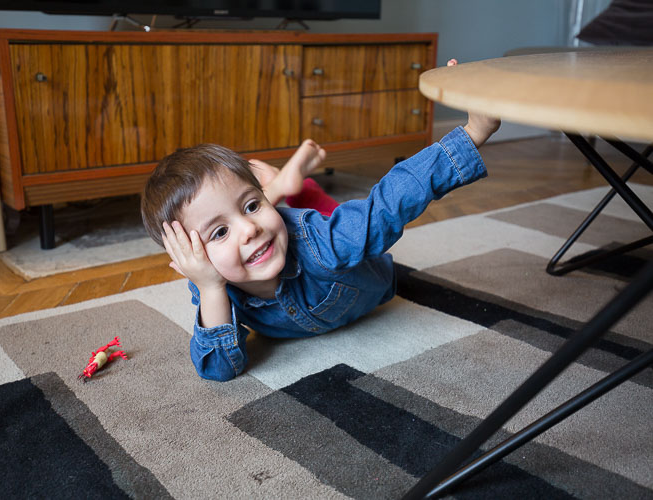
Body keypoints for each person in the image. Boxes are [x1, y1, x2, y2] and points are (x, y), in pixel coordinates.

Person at [140, 62, 500, 381]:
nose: (249, 228)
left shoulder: (320, 242)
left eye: (252, 205)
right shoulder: (210, 284)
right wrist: (211, 288)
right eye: (219, 232)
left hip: (359, 268)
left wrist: (472, 133)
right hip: (286, 240)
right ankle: (285, 187)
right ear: (193, 257)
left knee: (335, 226)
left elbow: (388, 203)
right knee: (293, 223)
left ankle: (287, 190)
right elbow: (219, 369)